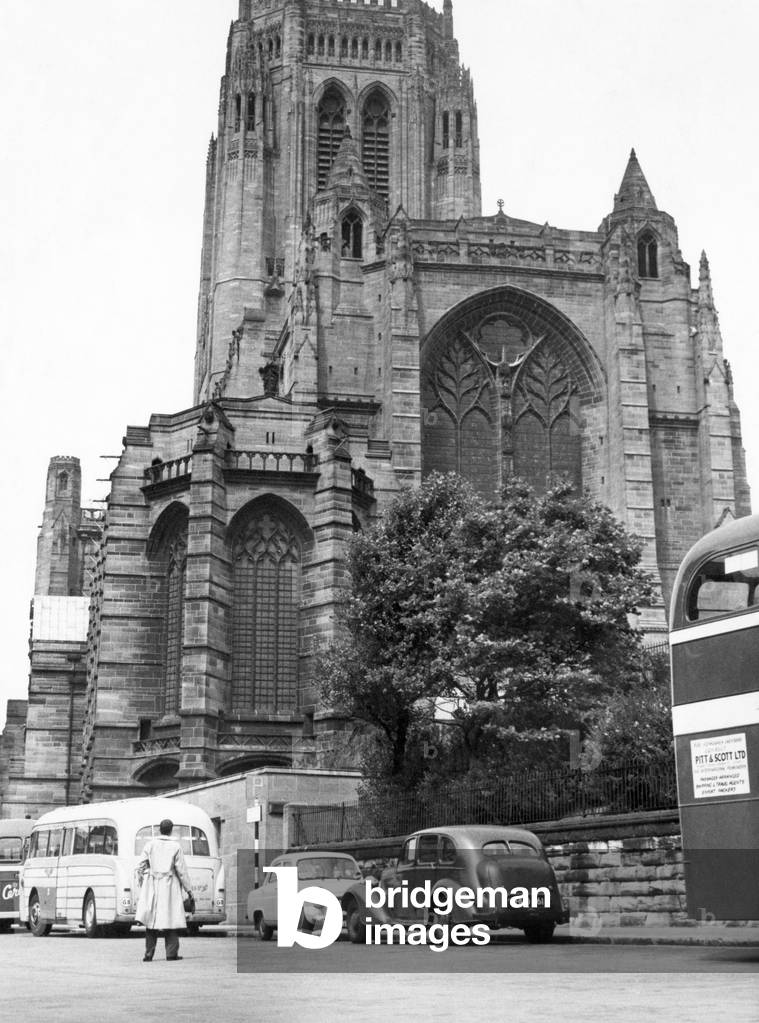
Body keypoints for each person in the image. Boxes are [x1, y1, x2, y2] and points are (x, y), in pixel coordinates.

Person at [135, 818, 194, 962]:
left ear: (159, 830)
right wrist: (189, 890)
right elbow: (181, 871)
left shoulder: (150, 845)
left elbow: (140, 865)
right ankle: (171, 954)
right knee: (171, 919)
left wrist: (142, 880)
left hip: (153, 884)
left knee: (152, 921)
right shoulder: (175, 846)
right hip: (170, 886)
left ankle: (149, 954)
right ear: (171, 830)